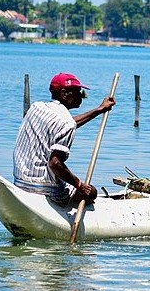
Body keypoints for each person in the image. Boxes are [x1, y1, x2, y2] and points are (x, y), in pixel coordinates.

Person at [13, 72, 116, 206]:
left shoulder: (36, 107)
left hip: (20, 181)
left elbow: (66, 124)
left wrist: (99, 110)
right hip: (45, 189)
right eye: (78, 92)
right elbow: (55, 164)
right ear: (64, 93)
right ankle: (65, 206)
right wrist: (79, 184)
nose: (82, 97)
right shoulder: (65, 123)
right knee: (92, 192)